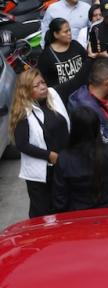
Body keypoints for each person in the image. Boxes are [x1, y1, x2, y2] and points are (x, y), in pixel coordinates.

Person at [9, 70, 70, 218]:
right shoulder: (23, 113)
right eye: (36, 85)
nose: (43, 87)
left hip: (61, 168)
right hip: (41, 176)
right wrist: (49, 155)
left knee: (63, 211)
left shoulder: (52, 100)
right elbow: (22, 144)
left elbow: (74, 83)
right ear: (26, 91)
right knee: (42, 215)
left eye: (43, 82)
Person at [37, 18, 88, 101]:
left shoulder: (75, 45)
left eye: (69, 30)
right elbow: (45, 81)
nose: (69, 34)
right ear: (56, 35)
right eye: (65, 32)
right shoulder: (46, 56)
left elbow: (87, 64)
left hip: (84, 93)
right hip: (63, 98)